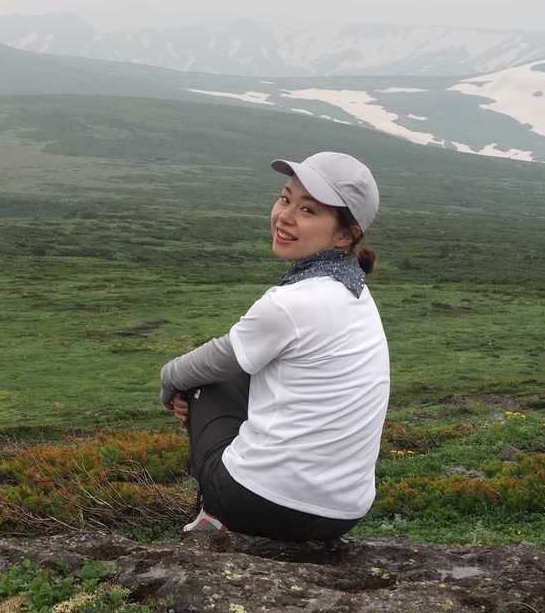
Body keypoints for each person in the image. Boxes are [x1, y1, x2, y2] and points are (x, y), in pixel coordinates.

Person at [158, 152, 390, 540]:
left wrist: (170, 386)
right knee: (242, 370)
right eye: (285, 199)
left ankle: (212, 514)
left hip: (259, 504)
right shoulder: (356, 294)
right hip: (343, 513)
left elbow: (205, 364)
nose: (285, 216)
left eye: (308, 210)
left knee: (203, 381)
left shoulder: (290, 303)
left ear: (344, 235)